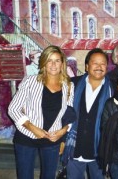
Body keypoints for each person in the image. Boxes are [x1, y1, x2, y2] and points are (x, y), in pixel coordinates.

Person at [8, 45, 74, 179]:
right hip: (26, 136)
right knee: (25, 176)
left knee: (49, 176)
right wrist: (33, 128)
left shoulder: (69, 85)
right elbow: (13, 109)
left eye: (57, 60)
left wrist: (62, 135)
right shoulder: (30, 81)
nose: (53, 64)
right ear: (43, 62)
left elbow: (69, 114)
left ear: (62, 63)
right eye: (50, 60)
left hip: (52, 137)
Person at [62, 48, 113, 179]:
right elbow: (63, 114)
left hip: (99, 149)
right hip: (74, 147)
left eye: (103, 64)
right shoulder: (73, 84)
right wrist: (62, 140)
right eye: (95, 63)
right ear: (86, 66)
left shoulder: (113, 89)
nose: (99, 67)